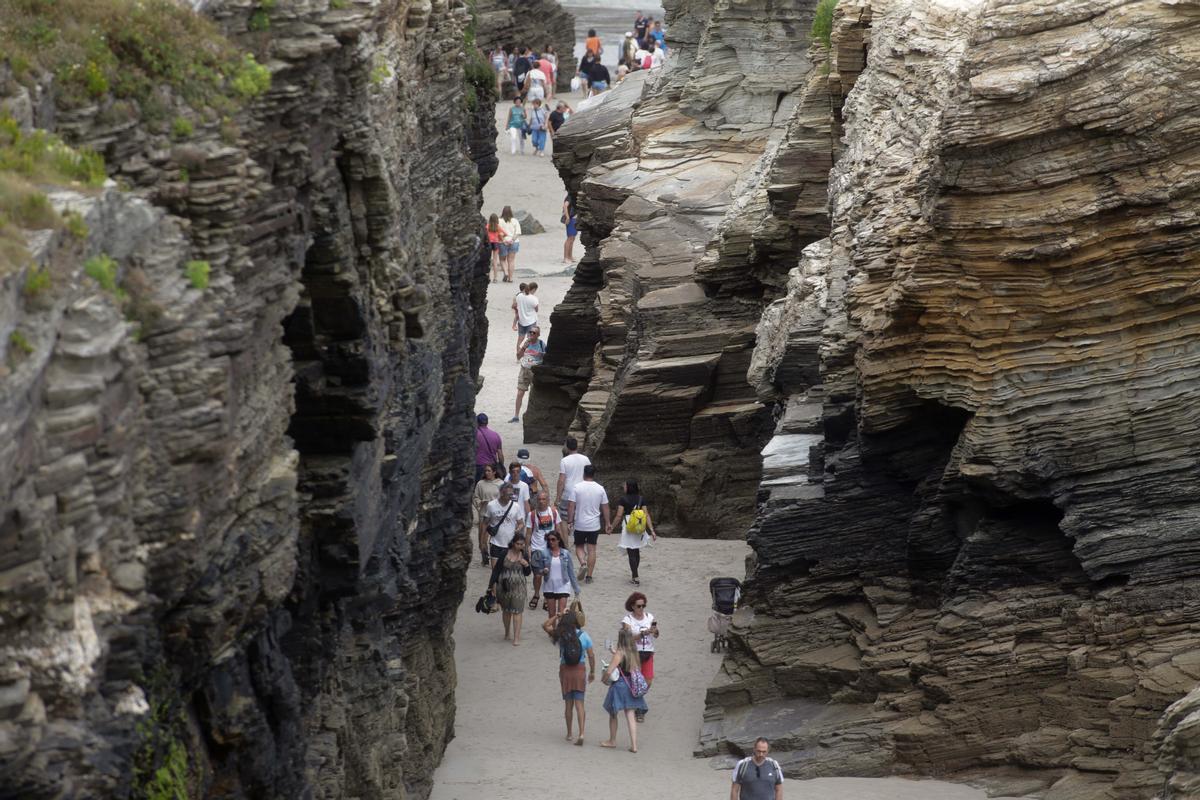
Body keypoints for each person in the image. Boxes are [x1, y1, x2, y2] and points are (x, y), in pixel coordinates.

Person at [600, 628, 647, 752]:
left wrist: (604, 679)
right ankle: (634, 745)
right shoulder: (633, 651)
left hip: (620, 685)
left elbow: (610, 670)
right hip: (631, 684)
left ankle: (612, 740)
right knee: (630, 714)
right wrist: (613, 652)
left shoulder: (620, 652)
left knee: (613, 713)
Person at [553, 610, 595, 745]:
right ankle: (581, 733)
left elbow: (545, 626)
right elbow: (591, 655)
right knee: (580, 704)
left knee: (568, 704)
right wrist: (592, 671)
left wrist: (557, 616)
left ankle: (569, 733)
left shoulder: (562, 635)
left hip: (565, 670)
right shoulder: (585, 636)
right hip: (579, 669)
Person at [608, 479, 657, 585]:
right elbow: (646, 514)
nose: (624, 487)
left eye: (625, 486)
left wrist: (611, 527)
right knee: (636, 550)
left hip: (628, 525)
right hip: (639, 525)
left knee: (631, 552)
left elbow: (619, 515)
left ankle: (635, 576)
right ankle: (635, 574)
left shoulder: (623, 499)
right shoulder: (641, 498)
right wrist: (652, 530)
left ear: (629, 487)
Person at [567, 464, 609, 584]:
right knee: (592, 550)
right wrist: (608, 523)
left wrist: (570, 521)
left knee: (579, 546)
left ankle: (583, 563)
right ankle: (589, 576)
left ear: (584, 474)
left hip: (580, 523)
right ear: (593, 474)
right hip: (594, 525)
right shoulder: (600, 489)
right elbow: (605, 507)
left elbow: (571, 506)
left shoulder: (577, 487)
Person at [487, 532, 531, 645]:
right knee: (506, 611)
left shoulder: (524, 554)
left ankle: (516, 638)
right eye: (518, 544)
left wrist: (526, 565)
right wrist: (490, 586)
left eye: (522, 544)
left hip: (519, 588)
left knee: (517, 611)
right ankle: (507, 632)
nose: (520, 546)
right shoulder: (504, 553)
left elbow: (527, 573)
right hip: (504, 587)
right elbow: (496, 571)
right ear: (513, 543)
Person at [621, 591, 658, 722]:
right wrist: (643, 634)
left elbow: (656, 634)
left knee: (647, 682)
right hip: (634, 654)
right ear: (632, 606)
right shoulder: (627, 620)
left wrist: (654, 631)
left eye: (643, 606)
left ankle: (636, 701)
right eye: (638, 606)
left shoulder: (649, 617)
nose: (641, 609)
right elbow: (628, 638)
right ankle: (640, 708)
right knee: (635, 681)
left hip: (648, 652)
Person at [527, 490, 564, 607]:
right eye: (539, 499)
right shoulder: (531, 515)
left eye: (544, 499)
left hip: (551, 548)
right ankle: (537, 594)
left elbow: (558, 529)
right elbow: (528, 532)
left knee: (549, 575)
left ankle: (547, 597)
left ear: (548, 500)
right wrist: (526, 547)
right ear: (536, 501)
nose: (541, 502)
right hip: (536, 547)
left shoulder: (553, 512)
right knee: (537, 575)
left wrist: (562, 546)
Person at [539, 529, 580, 619]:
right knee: (551, 614)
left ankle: (560, 632)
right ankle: (553, 632)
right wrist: (543, 571)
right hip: (549, 585)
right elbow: (539, 570)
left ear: (558, 540)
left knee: (561, 613)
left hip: (563, 585)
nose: (551, 542)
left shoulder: (565, 553)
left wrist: (576, 588)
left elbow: (571, 572)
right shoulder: (544, 553)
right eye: (549, 540)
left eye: (553, 539)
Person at [480, 482, 524, 565]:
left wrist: (518, 529)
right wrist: (483, 542)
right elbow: (485, 523)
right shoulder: (491, 505)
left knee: (507, 571)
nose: (510, 497)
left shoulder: (516, 506)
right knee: (495, 572)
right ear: (502, 493)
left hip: (510, 544)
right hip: (495, 543)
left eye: (511, 494)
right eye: (508, 494)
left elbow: (521, 523)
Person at [473, 463, 505, 566]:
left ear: (494, 472)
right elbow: (475, 497)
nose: (487, 473)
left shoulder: (501, 484)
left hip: (496, 516)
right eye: (485, 471)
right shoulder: (480, 484)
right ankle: (485, 557)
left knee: (495, 538)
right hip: (483, 514)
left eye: (489, 471)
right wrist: (480, 503)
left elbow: (504, 499)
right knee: (482, 539)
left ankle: (494, 558)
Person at [512, 326, 545, 423]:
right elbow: (518, 357)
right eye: (530, 332)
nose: (531, 334)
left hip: (535, 371)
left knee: (534, 394)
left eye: (534, 333)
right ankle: (516, 416)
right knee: (519, 393)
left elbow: (546, 356)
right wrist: (523, 348)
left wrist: (541, 354)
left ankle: (533, 416)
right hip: (524, 370)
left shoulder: (541, 344)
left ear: (538, 335)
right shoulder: (525, 343)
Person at [556, 436, 591, 517]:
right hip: (583, 492)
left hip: (568, 493)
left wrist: (558, 498)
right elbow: (589, 477)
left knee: (565, 518)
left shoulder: (564, 461)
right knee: (580, 516)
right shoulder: (586, 459)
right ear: (577, 446)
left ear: (567, 447)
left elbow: (561, 481)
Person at [475, 413, 504, 482]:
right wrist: (501, 466)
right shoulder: (496, 435)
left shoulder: (474, 434)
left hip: (478, 467)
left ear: (477, 422)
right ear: (487, 422)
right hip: (492, 467)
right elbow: (500, 455)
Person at [511, 281, 538, 347]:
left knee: (520, 338)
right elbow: (536, 310)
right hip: (531, 321)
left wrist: (517, 309)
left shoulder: (519, 296)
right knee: (530, 338)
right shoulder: (534, 298)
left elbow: (514, 305)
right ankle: (528, 353)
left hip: (521, 320)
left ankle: (518, 352)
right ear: (534, 289)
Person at [498, 206, 521, 281]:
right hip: (514, 242)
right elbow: (518, 233)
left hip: (502, 242)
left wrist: (504, 240)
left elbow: (498, 232)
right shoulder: (515, 221)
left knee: (502, 259)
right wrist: (512, 240)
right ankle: (510, 278)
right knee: (511, 260)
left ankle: (506, 272)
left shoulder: (499, 220)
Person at [486, 213, 503, 281]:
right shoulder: (497, 227)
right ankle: (495, 278)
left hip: (489, 243)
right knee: (495, 261)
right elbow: (505, 234)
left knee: (488, 261)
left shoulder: (487, 226)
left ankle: (488, 277)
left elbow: (484, 234)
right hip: (496, 243)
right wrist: (500, 238)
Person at [561, 195, 577, 264]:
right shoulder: (569, 196)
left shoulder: (573, 196)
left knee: (572, 238)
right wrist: (567, 217)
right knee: (570, 238)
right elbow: (565, 206)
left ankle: (570, 256)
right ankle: (566, 257)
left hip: (574, 219)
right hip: (571, 219)